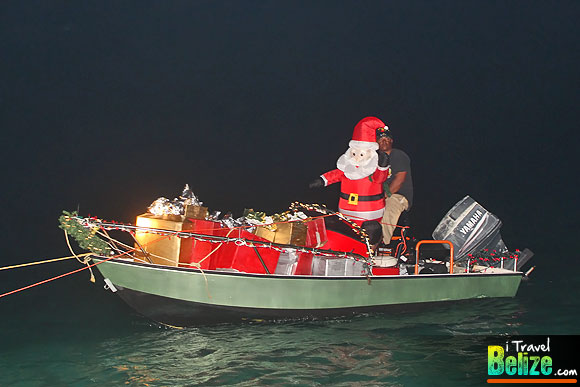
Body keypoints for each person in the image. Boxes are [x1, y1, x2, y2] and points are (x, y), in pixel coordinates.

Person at [309, 117, 391, 247]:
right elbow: (335, 175)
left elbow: (380, 178)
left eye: (361, 155)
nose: (357, 158)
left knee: (370, 234)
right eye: (354, 154)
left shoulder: (371, 171)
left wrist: (383, 165)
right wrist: (322, 180)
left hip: (369, 213)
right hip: (346, 212)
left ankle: (369, 251)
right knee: (345, 233)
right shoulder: (347, 169)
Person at [376, 125, 413, 245]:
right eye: (380, 139)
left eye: (386, 138)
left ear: (391, 141)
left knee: (388, 209)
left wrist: (383, 197)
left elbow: (399, 180)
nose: (384, 141)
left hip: (398, 196)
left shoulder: (398, 155)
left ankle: (380, 245)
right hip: (379, 196)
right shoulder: (373, 159)